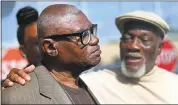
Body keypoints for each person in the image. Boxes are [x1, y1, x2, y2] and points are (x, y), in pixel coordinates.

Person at [3, 11, 178, 104]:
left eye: (145, 40)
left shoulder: (174, 86)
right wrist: (14, 82)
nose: (133, 46)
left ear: (159, 48)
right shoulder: (96, 81)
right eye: (126, 38)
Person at [2, 4, 101, 104]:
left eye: (90, 31)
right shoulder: (16, 94)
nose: (95, 40)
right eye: (36, 42)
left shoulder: (95, 84)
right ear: (50, 47)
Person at [2, 6, 41, 86]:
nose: (47, 47)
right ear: (23, 50)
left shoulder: (70, 73)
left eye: (48, 39)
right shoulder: (14, 84)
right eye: (37, 42)